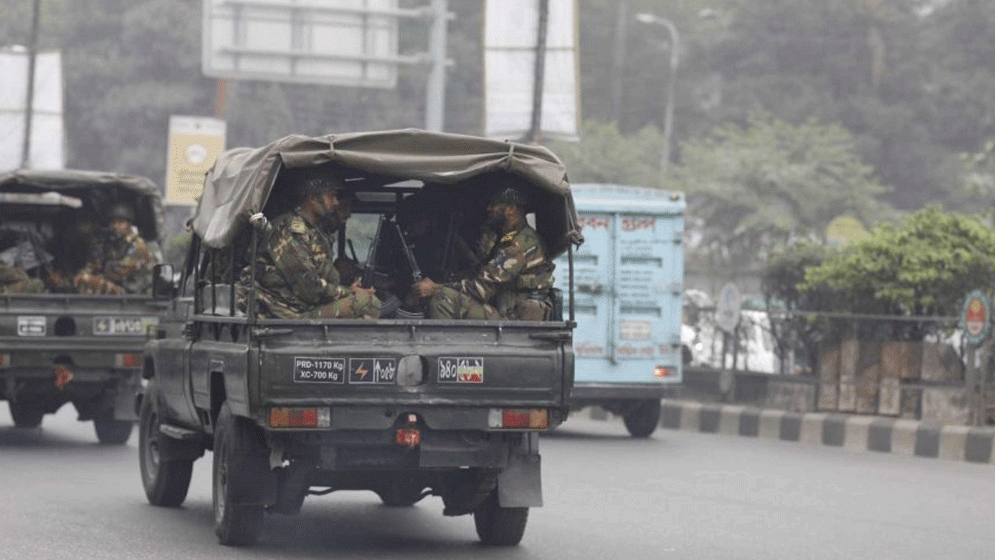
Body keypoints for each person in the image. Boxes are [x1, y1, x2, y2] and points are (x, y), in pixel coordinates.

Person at [412, 183, 554, 320]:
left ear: (511, 209)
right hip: (509, 314)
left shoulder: (519, 244)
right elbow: (482, 272)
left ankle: (448, 344)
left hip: (514, 321)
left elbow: (481, 289)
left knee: (442, 297)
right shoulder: (510, 239)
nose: (488, 209)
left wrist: (436, 288)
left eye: (494, 205)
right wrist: (448, 279)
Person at [245, 176, 380, 319]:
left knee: (368, 300)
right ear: (313, 199)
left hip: (303, 307)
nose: (335, 202)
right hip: (287, 313)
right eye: (331, 196)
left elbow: (323, 276)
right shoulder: (289, 230)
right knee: (367, 303)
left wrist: (351, 286)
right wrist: (350, 293)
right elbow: (308, 287)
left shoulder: (315, 231)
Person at [73, 204, 158, 295]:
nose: (115, 226)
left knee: (85, 279)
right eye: (113, 223)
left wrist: (98, 275)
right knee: (81, 279)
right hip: (119, 288)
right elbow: (95, 264)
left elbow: (121, 273)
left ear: (129, 224)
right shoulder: (112, 243)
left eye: (120, 223)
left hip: (132, 293)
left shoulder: (138, 246)